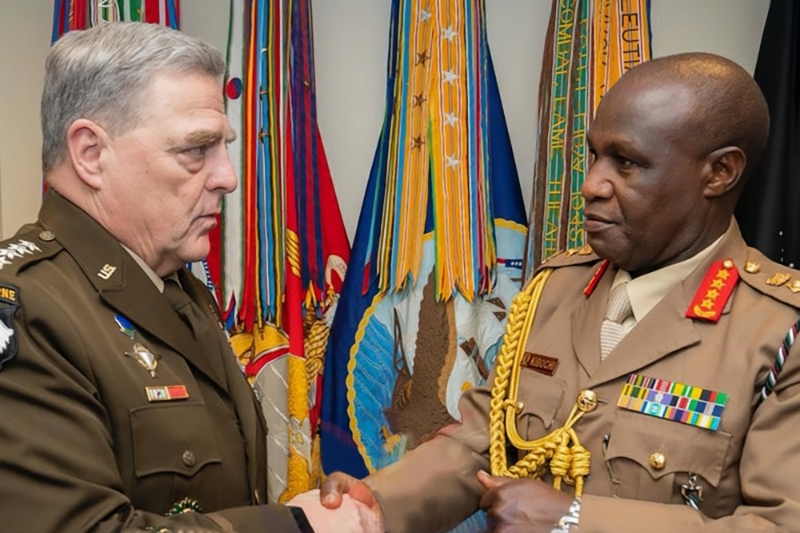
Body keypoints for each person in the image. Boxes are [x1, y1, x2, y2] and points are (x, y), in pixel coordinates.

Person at [316, 52, 800, 532]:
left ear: (719, 173)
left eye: (627, 163)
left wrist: (575, 521)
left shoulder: (781, 332)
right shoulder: (557, 288)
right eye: (594, 156)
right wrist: (380, 503)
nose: (591, 185)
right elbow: (484, 440)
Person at [0, 22, 376, 533]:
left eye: (223, 146)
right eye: (195, 150)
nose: (228, 176)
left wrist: (313, 508)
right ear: (91, 153)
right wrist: (291, 527)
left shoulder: (172, 282)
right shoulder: (27, 309)